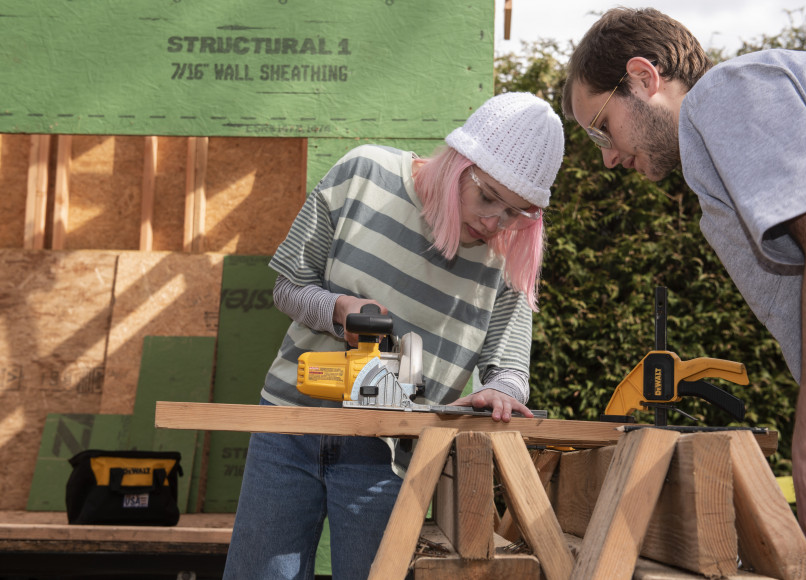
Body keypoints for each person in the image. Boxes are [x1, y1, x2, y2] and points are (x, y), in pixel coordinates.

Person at [561, 7, 806, 579]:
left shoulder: (725, 94)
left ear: (644, 78)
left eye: (600, 127)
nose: (605, 157)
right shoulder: (723, 152)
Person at [222, 91, 564, 580]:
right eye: (488, 198)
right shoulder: (362, 173)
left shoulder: (508, 254)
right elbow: (288, 286)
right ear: (457, 163)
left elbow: (508, 366)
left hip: (392, 457)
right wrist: (337, 310)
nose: (496, 222)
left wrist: (500, 394)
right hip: (287, 428)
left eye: (517, 212)